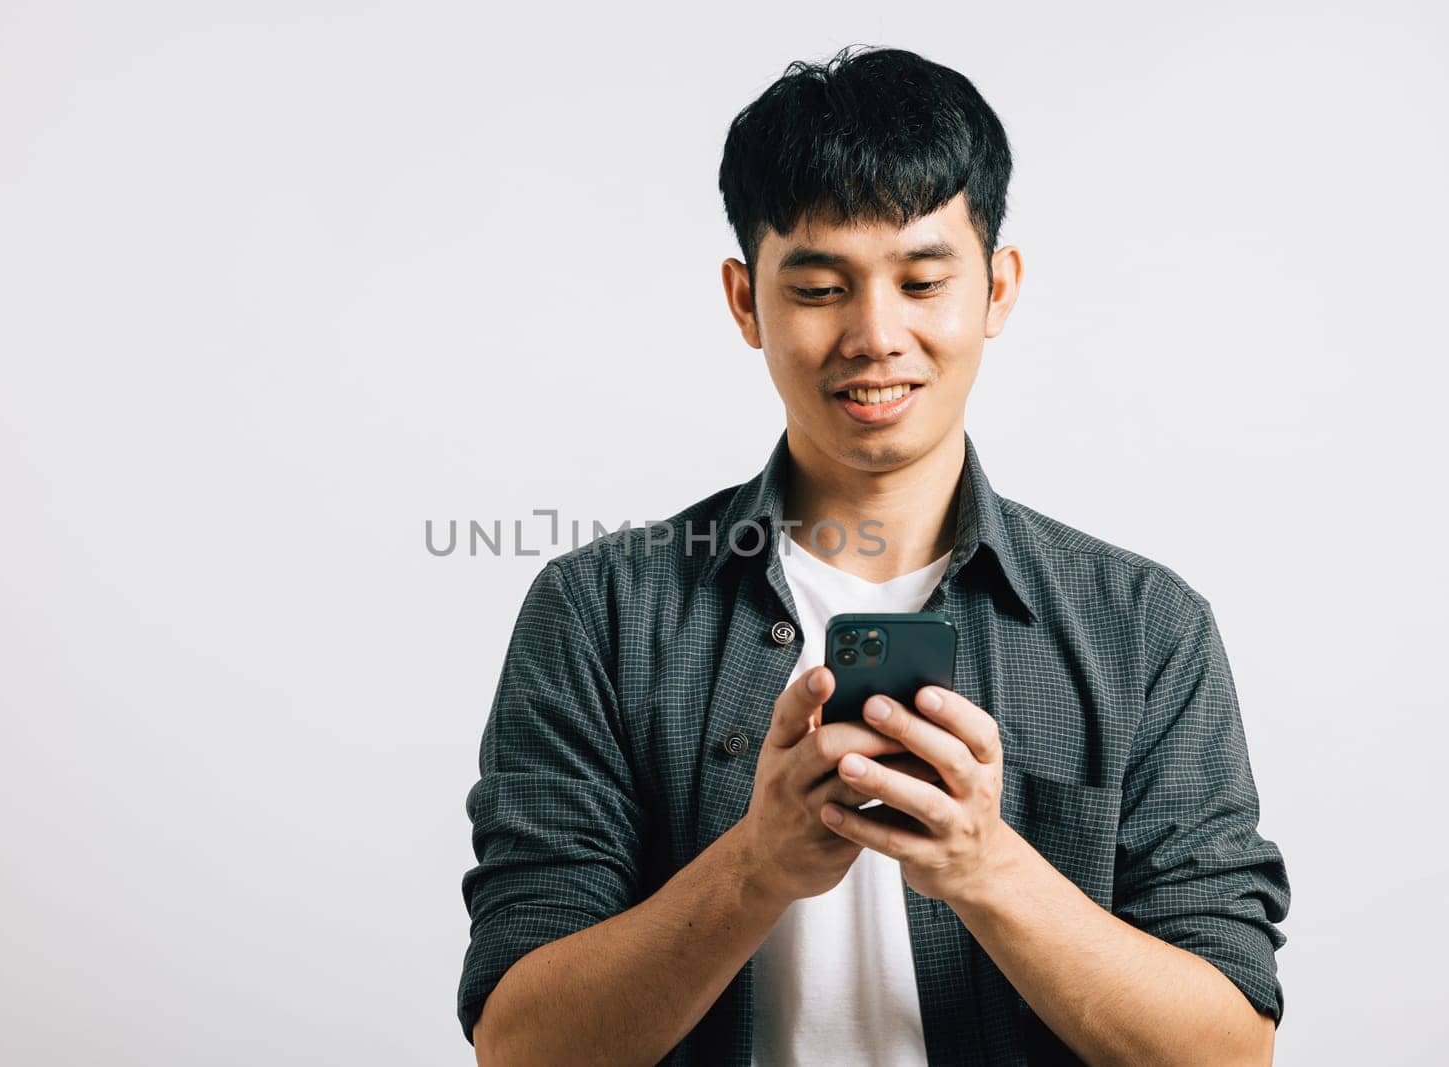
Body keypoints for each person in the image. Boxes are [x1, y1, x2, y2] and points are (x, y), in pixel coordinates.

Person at [456, 44, 1289, 1066]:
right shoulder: (600, 614)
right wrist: (758, 864)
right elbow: (521, 1044)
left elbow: (1229, 1050)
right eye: (818, 287)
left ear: (997, 288)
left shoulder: (1142, 627)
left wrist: (986, 866)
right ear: (743, 301)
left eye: (923, 278)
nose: (874, 334)